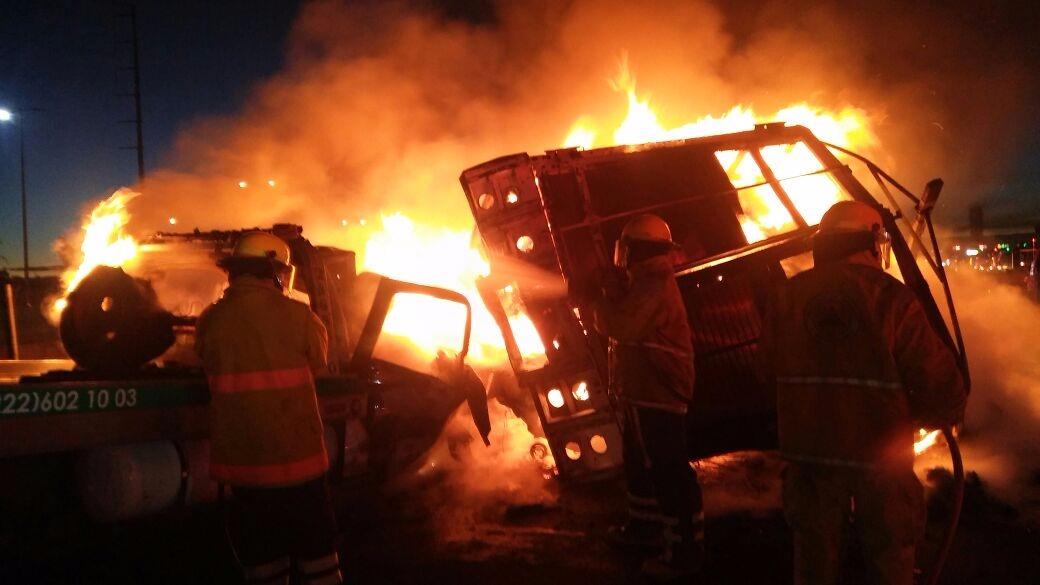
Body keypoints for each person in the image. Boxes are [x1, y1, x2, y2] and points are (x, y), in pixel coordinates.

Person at [763, 200, 967, 585]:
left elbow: (766, 368)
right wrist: (924, 416)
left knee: (814, 566)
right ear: (872, 242)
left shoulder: (785, 298)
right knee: (888, 563)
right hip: (880, 465)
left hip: (810, 462)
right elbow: (943, 387)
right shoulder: (892, 298)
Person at [195, 231, 342, 585]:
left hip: (245, 471)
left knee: (262, 562)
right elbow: (320, 362)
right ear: (275, 272)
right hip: (300, 467)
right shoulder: (299, 316)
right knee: (317, 558)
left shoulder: (210, 321)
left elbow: (205, 361)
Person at [587, 213, 704, 580]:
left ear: (635, 249)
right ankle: (644, 529)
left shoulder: (653, 284)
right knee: (641, 463)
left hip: (658, 392)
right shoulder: (646, 281)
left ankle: (684, 551)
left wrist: (600, 301)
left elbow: (623, 325)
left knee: (667, 469)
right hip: (644, 390)